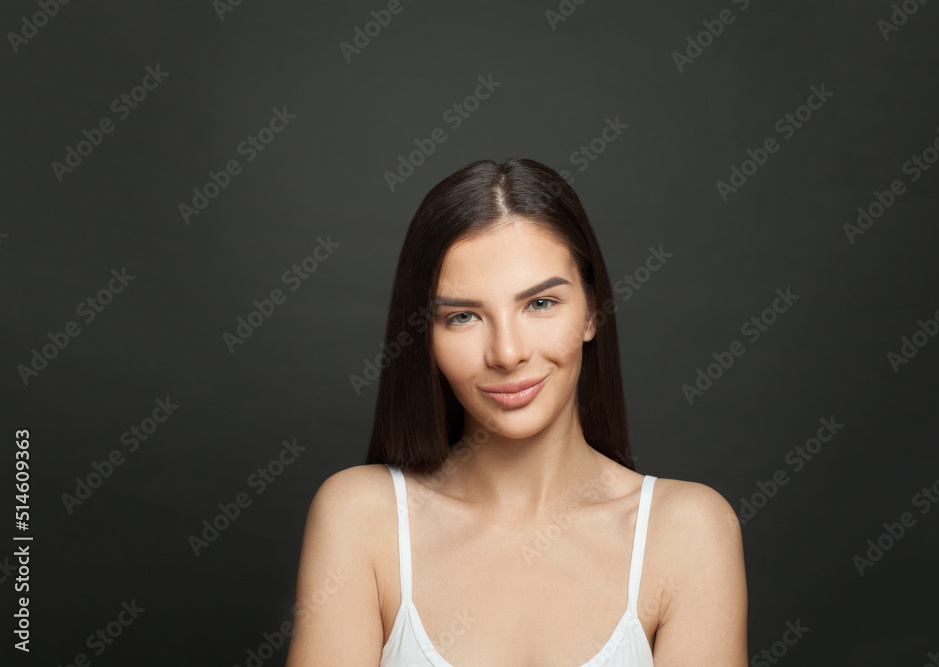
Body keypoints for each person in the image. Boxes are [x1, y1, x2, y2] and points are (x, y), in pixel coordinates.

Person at [285, 158, 748, 666]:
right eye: (463, 316)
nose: (507, 353)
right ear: (424, 336)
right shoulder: (361, 518)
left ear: (592, 312)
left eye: (540, 304)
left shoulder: (688, 532)